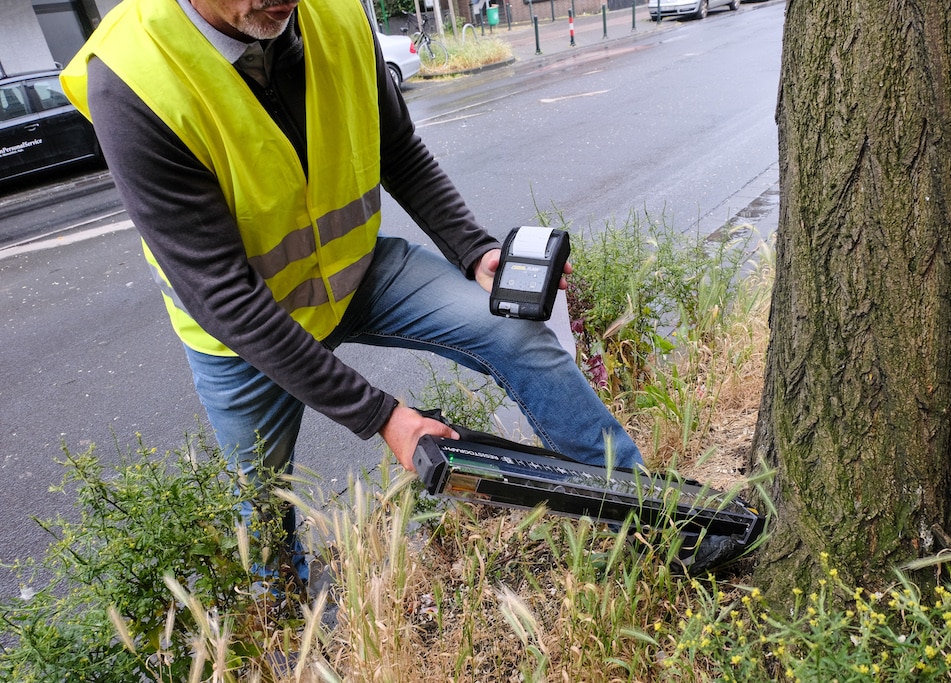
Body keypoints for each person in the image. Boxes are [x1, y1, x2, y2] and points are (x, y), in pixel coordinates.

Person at [60, 0, 643, 583]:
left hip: (357, 271)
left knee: (514, 330)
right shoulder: (131, 78)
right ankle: (283, 627)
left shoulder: (338, 12)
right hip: (245, 333)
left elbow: (399, 148)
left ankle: (652, 517)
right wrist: (383, 416)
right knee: (261, 511)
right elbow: (224, 296)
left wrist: (473, 249)